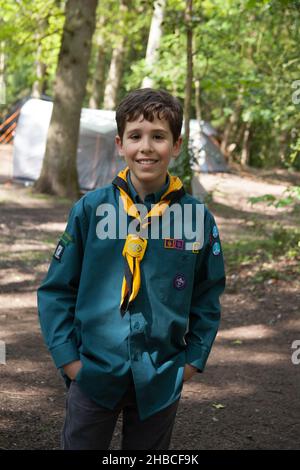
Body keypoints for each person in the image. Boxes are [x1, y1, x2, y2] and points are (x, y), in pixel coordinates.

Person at [37, 88, 226, 450]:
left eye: (158, 136)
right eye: (136, 136)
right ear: (120, 144)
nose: (146, 147)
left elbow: (208, 294)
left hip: (160, 376)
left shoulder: (196, 219)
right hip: (94, 372)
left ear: (176, 145)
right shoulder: (90, 211)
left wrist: (190, 362)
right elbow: (57, 290)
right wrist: (70, 361)